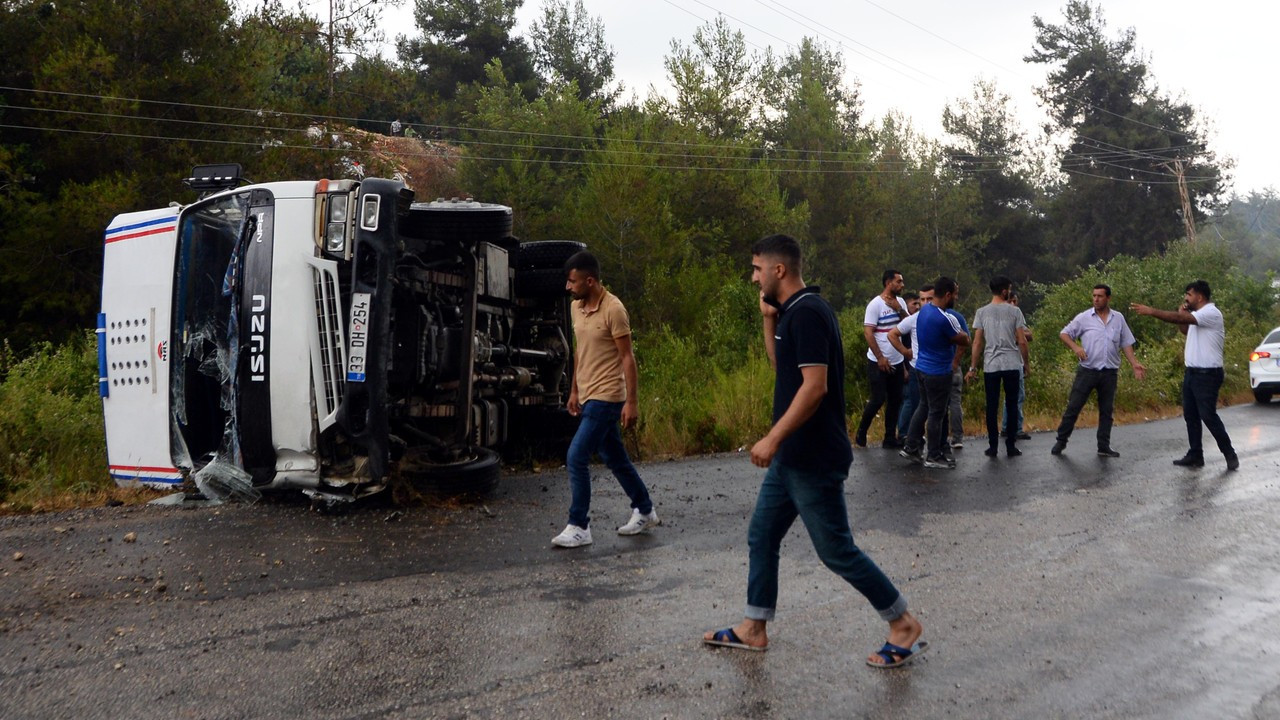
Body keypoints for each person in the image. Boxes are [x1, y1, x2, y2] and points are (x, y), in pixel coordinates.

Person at [702, 234, 928, 669]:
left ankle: (903, 624)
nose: (753, 278)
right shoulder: (792, 313)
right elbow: (783, 369)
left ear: (778, 270)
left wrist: (772, 438)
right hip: (793, 456)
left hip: (813, 456)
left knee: (836, 550)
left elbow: (815, 387)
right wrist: (768, 320)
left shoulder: (807, 314)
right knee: (762, 535)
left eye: (756, 270)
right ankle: (754, 627)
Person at [551, 251, 660, 548]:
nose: (568, 287)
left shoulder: (614, 309)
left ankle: (579, 525)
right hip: (587, 394)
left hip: (609, 395)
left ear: (590, 280)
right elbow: (579, 352)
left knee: (576, 456)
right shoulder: (576, 308)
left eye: (572, 281)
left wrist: (632, 402)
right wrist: (573, 390)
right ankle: (645, 509)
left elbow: (628, 358)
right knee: (614, 456)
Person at [1132, 280, 1239, 470]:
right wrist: (1183, 315)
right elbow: (1185, 330)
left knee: (1208, 416)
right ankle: (1195, 454)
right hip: (1192, 372)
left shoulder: (1211, 313)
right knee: (1191, 415)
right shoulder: (1197, 315)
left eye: (1189, 294)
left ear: (1199, 296)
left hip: (1207, 374)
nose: (1186, 298)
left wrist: (1153, 311)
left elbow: (1179, 320)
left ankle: (1229, 454)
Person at [1051, 285, 1146, 457]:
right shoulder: (1085, 317)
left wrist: (1134, 363)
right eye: (1094, 296)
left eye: (1100, 296)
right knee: (1074, 406)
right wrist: (1075, 347)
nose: (1096, 299)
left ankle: (1104, 445)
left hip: (1109, 371)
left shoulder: (1118, 318)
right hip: (1088, 370)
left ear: (1108, 298)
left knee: (1106, 410)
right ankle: (1061, 441)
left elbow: (1126, 343)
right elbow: (1064, 333)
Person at [902, 277, 969, 469]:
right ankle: (933, 455)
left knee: (923, 407)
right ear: (947, 295)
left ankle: (911, 446)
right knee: (936, 413)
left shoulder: (924, 312)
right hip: (938, 371)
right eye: (955, 294)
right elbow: (964, 339)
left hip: (921, 368)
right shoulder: (944, 318)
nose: (956, 297)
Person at [965, 276, 1030, 458]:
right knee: (1011, 403)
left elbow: (977, 342)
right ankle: (1010, 445)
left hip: (991, 364)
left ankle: (993, 445)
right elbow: (1022, 341)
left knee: (991, 405)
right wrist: (1026, 363)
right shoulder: (1014, 312)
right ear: (1004, 291)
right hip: (1011, 362)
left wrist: (972, 367)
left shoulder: (982, 312)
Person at [856, 269, 908, 448]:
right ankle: (861, 433)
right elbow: (868, 333)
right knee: (878, 399)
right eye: (899, 282)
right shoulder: (875, 305)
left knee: (896, 399)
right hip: (878, 360)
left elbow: (909, 324)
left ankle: (889, 437)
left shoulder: (900, 302)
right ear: (888, 283)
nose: (902, 285)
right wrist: (880, 357)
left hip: (897, 360)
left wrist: (898, 309)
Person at [893, 288, 929, 443]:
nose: (919, 306)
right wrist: (905, 360)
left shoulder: (916, 320)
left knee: (915, 402)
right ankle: (904, 433)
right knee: (910, 401)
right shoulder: (906, 324)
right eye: (916, 302)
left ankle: (913, 435)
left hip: (918, 366)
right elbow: (893, 338)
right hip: (910, 367)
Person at [1001, 291, 1033, 441]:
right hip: (1010, 361)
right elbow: (1020, 338)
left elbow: (1029, 335)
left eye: (1015, 301)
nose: (1013, 304)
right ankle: (1014, 428)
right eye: (1010, 301)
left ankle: (1008, 427)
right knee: (1016, 396)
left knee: (1015, 396)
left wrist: (1020, 334)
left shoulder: (1017, 316)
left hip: (1015, 359)